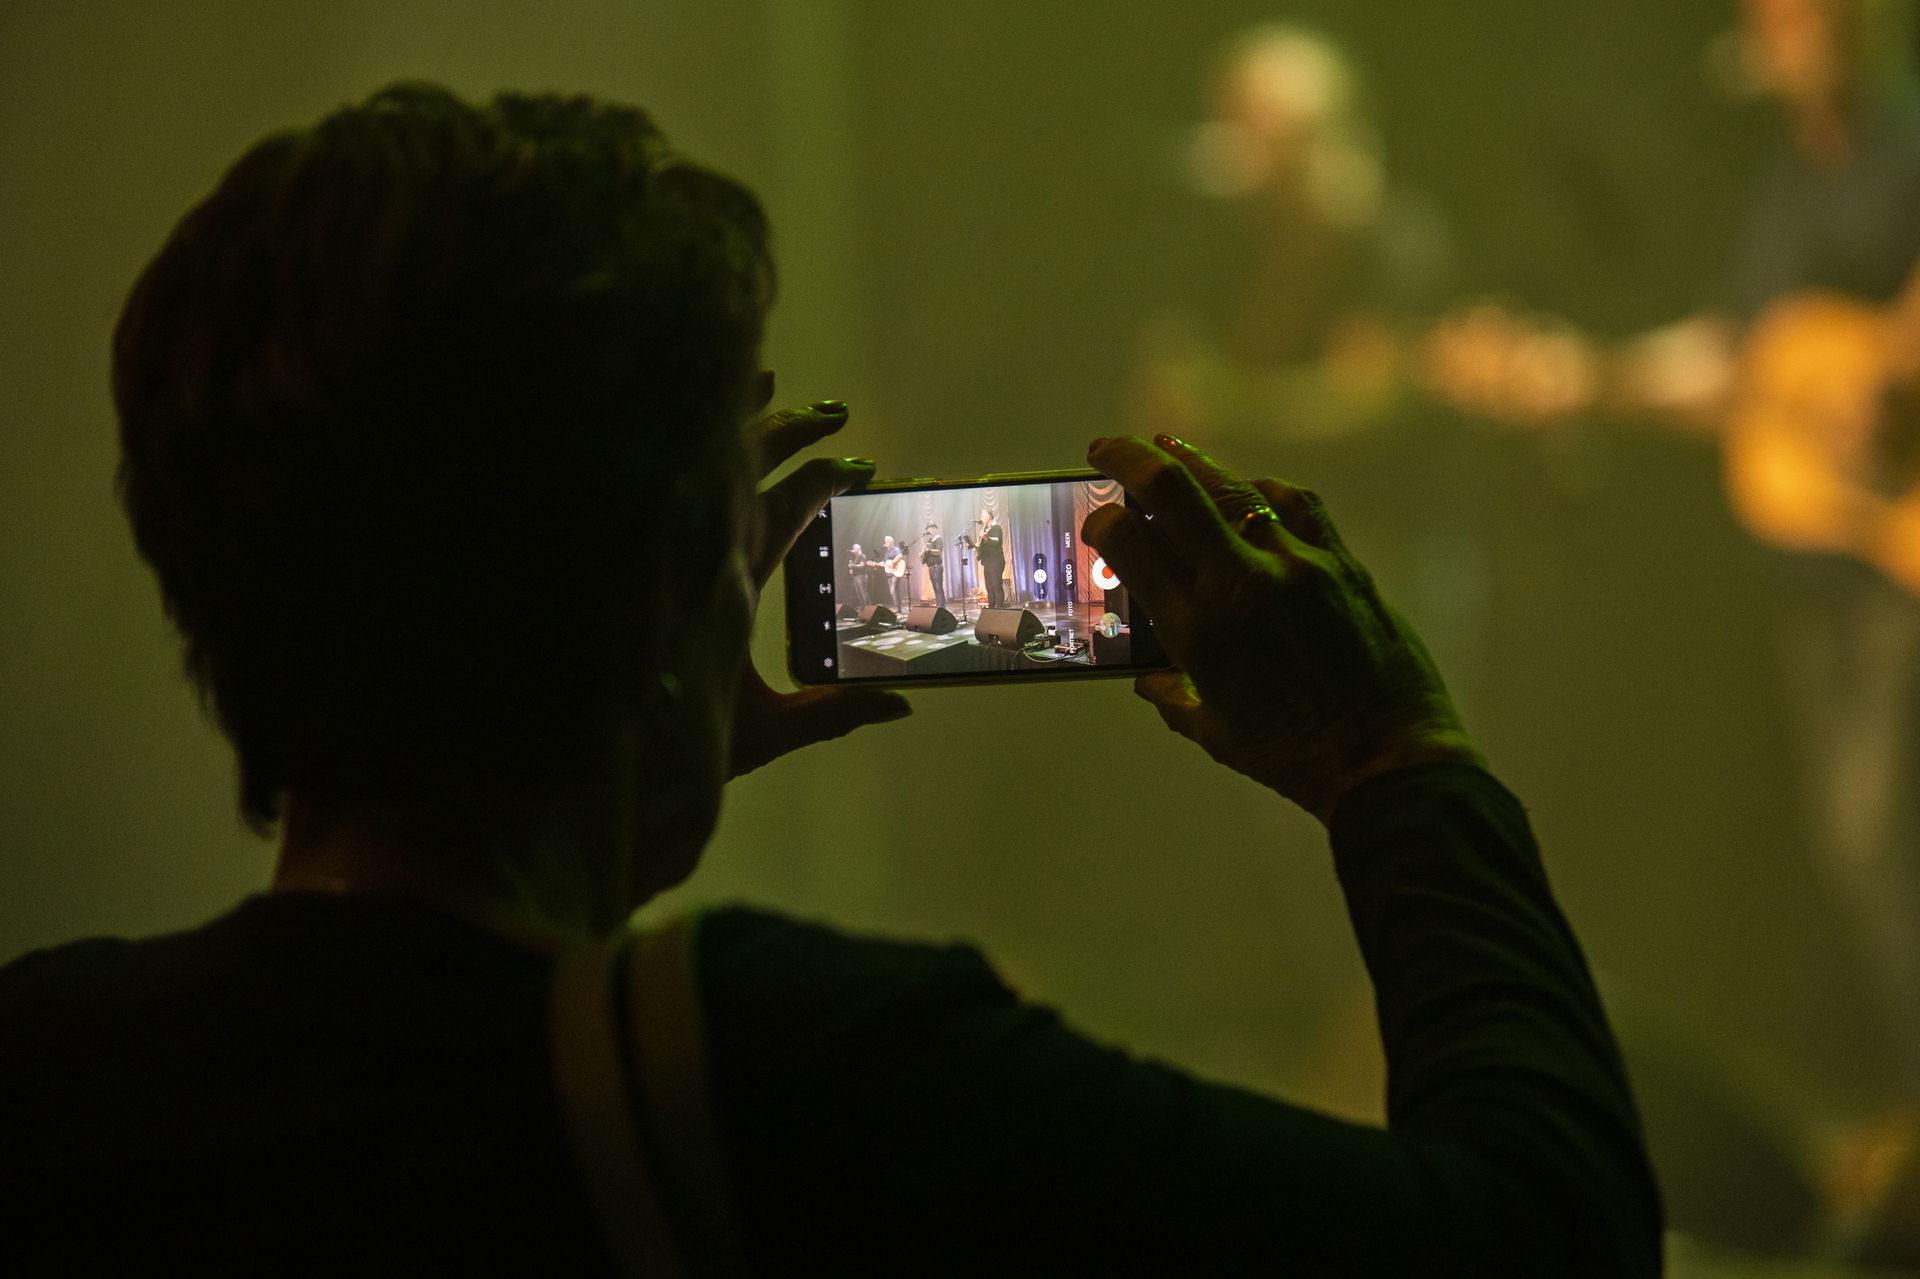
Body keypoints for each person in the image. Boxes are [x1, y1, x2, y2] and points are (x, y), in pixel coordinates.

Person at [0, 83, 1660, 1274]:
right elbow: (1547, 1236)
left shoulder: (54, 1055)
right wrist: (1392, 753)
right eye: (728, 504)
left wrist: (609, 740)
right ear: (669, 581)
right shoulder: (805, 1070)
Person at [976, 506, 1007, 608]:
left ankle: (999, 609)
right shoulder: (985, 529)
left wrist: (987, 537)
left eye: (983, 515)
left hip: (996, 561)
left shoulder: (996, 527)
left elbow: (996, 540)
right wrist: (974, 545)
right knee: (989, 587)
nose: (981, 517)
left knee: (997, 586)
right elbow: (982, 545)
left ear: (988, 517)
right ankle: (991, 608)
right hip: (987, 562)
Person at [880, 534, 908, 612]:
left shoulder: (895, 549)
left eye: (887, 541)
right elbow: (885, 562)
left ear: (891, 542)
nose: (885, 542)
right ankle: (898, 608)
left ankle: (898, 608)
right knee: (893, 591)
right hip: (889, 574)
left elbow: (899, 556)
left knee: (893, 591)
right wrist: (875, 563)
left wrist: (893, 563)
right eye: (885, 541)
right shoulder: (887, 552)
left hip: (895, 573)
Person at [922, 521, 946, 609]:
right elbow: (925, 556)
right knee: (935, 588)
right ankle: (938, 605)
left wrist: (928, 551)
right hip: (931, 567)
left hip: (937, 567)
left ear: (935, 529)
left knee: (939, 587)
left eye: (930, 528)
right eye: (928, 529)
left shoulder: (938, 539)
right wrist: (922, 554)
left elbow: (938, 552)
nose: (929, 531)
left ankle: (941, 606)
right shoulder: (929, 541)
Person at [844, 541, 871, 608]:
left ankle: (867, 607)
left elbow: (862, 565)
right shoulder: (855, 558)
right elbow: (854, 566)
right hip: (856, 576)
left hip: (861, 576)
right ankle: (862, 607)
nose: (853, 549)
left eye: (854, 548)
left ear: (858, 549)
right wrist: (851, 569)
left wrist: (853, 566)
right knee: (859, 593)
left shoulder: (862, 556)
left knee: (863, 592)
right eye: (853, 548)